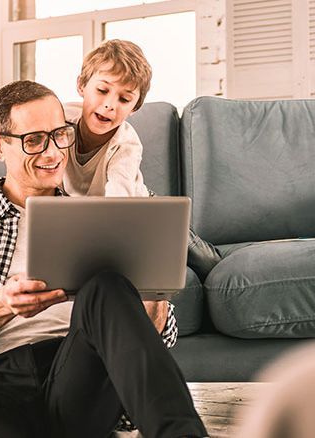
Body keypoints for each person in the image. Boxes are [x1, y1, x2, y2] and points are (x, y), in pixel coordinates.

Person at [0, 79, 208, 438]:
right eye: (34, 140)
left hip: (82, 378)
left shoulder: (103, 214)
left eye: (61, 135)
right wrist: (0, 304)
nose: (52, 154)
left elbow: (158, 340)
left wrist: (152, 297)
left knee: (106, 286)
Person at [62, 39, 222, 279]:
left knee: (206, 262)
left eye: (124, 99)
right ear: (81, 85)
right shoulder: (59, 121)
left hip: (137, 205)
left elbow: (119, 204)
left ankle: (223, 256)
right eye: (102, 90)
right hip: (87, 208)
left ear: (134, 108)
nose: (109, 105)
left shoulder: (126, 142)